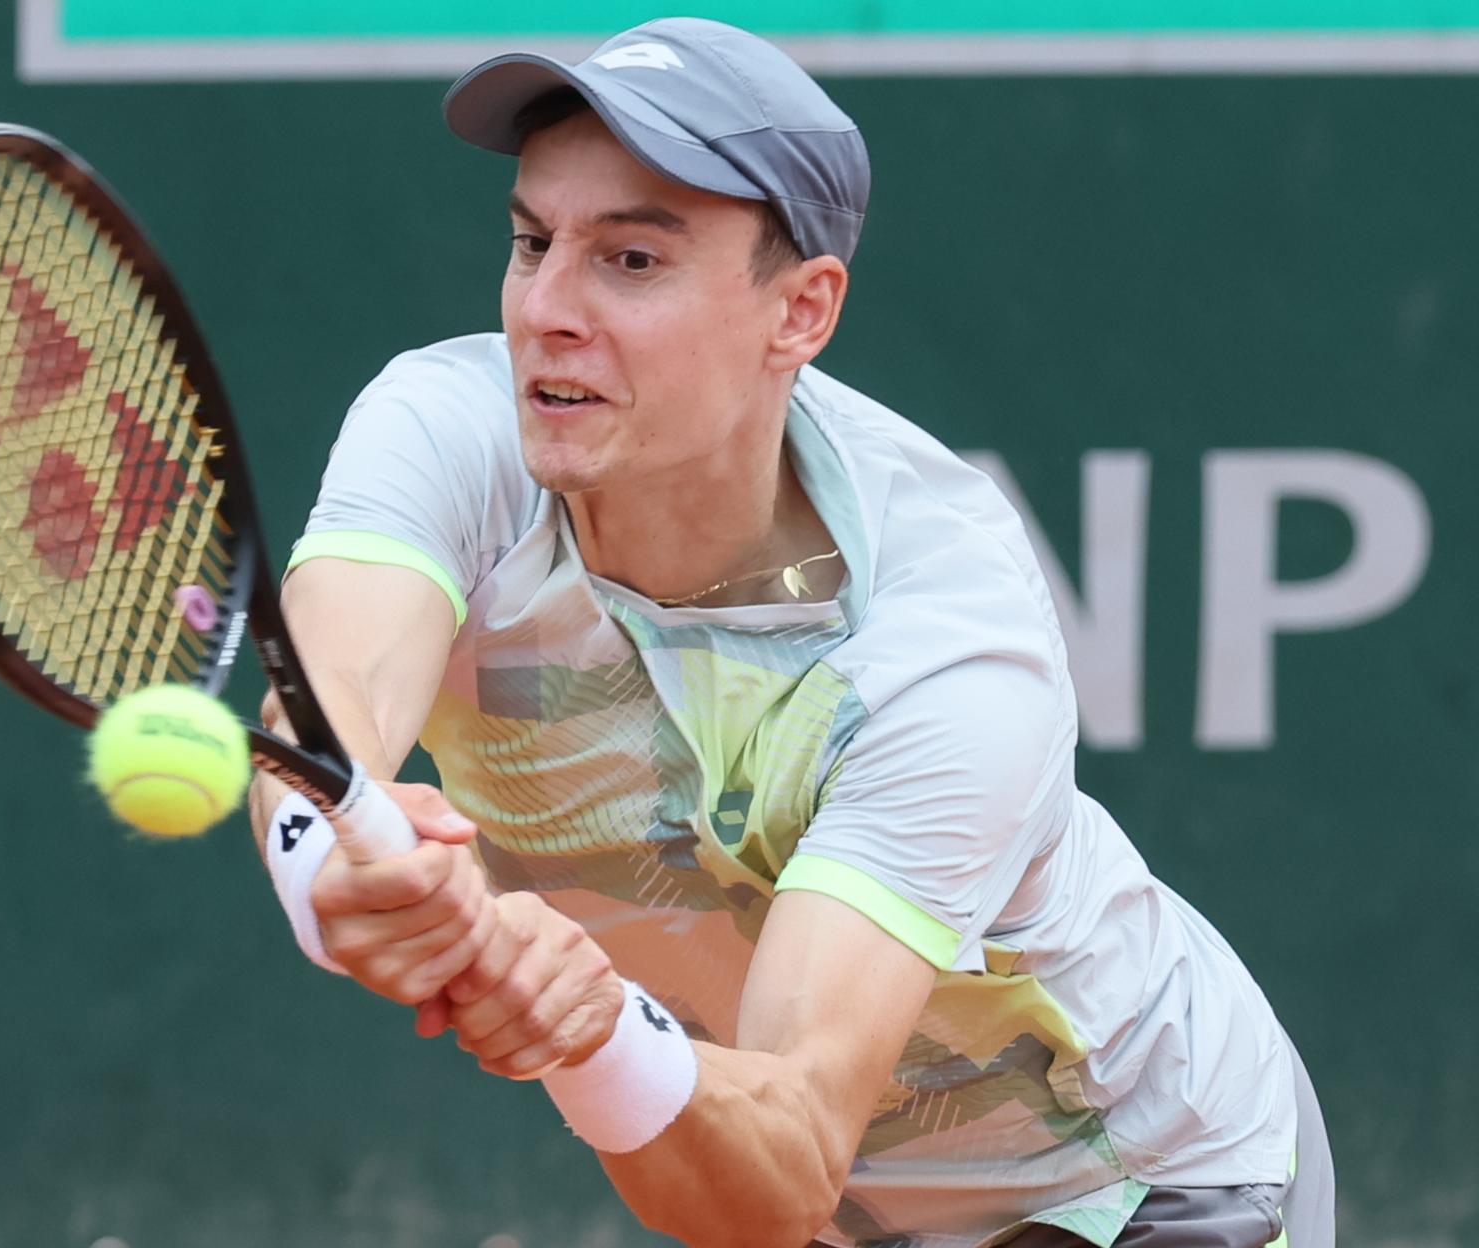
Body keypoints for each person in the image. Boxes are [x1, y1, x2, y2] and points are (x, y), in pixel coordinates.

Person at [249, 17, 1336, 1248]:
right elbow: (327, 713)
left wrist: (592, 1029)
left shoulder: (940, 651)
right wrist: (329, 863)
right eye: (531, 240)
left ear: (799, 312)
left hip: (1133, 1183)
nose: (544, 309)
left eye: (633, 261)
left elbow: (779, 1167)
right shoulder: (448, 429)